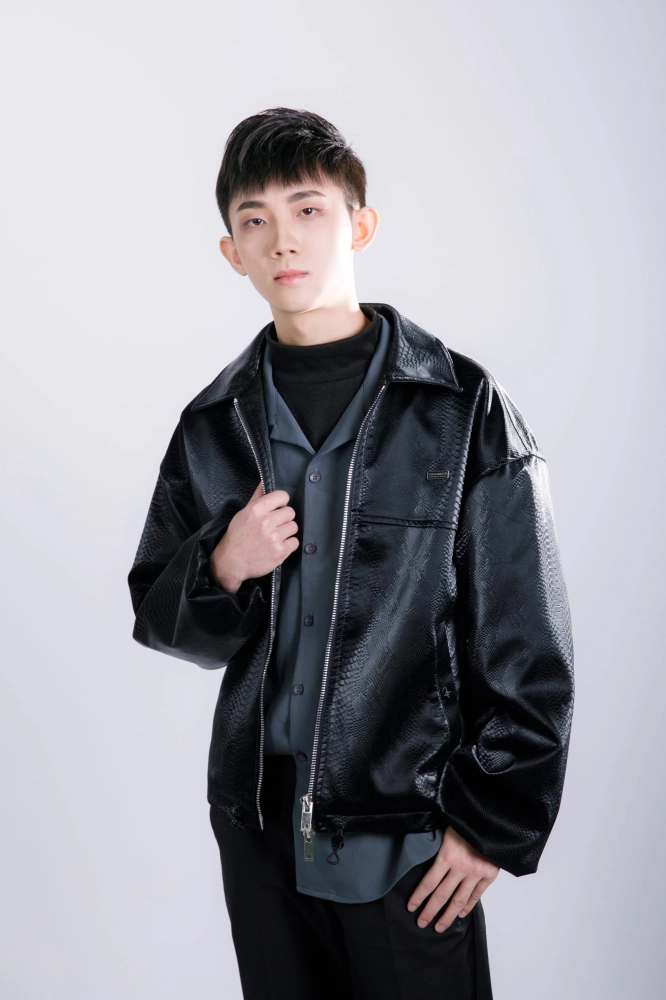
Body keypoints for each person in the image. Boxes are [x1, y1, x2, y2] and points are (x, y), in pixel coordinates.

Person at [127, 107, 575, 1000]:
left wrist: (490, 823)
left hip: (410, 836)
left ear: (359, 224)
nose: (283, 240)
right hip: (258, 831)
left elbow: (530, 641)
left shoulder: (461, 407)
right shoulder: (214, 423)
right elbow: (157, 614)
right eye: (255, 220)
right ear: (232, 252)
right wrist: (224, 565)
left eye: (308, 210)